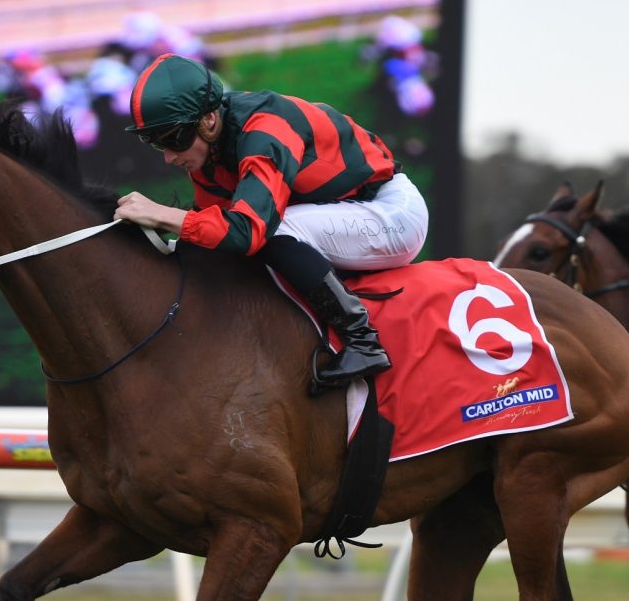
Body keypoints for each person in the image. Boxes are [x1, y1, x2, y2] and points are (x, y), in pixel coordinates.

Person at [114, 53, 429, 388]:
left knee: (273, 229)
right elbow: (213, 231)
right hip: (342, 210)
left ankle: (362, 341)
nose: (168, 156)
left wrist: (163, 214)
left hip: (390, 212)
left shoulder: (264, 130)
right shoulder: (210, 147)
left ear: (208, 120)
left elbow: (248, 232)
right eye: (154, 142)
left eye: (172, 138)